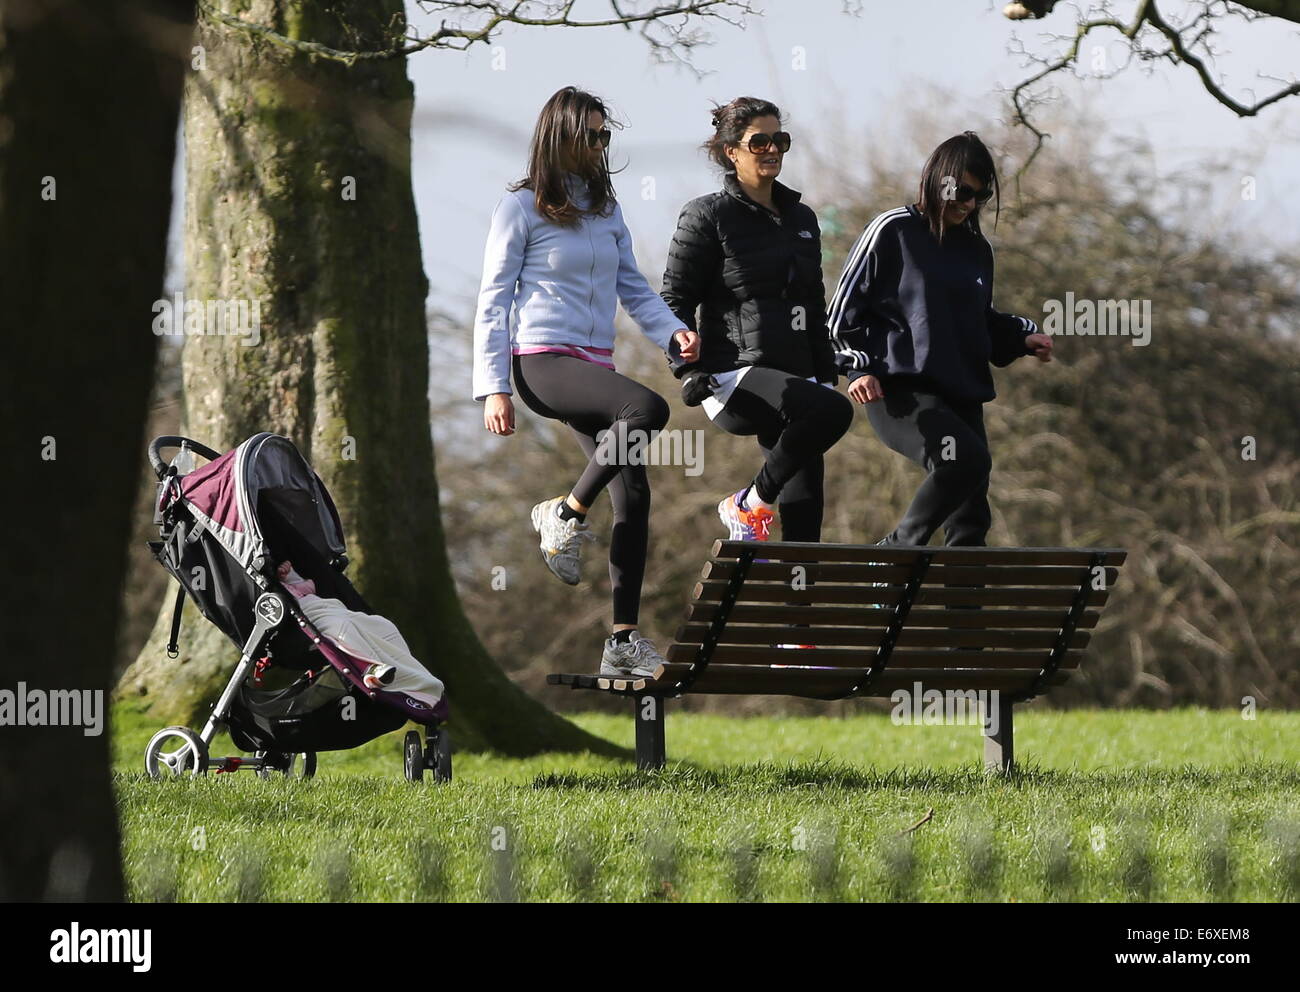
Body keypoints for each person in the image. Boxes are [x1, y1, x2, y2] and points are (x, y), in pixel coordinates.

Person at [472, 86, 699, 678]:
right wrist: (493, 385)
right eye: (592, 135)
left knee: (634, 494)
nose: (601, 145)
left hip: (593, 363)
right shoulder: (522, 206)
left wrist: (673, 332)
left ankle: (623, 640)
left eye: (606, 135)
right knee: (647, 409)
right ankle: (566, 513)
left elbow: (633, 284)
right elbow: (494, 298)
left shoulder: (604, 207)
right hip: (542, 361)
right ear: (562, 135)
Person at [827, 131, 1053, 550]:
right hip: (900, 391)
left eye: (979, 197)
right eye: (961, 191)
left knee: (970, 521)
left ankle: (962, 614)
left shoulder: (977, 250)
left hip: (962, 395)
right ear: (936, 179)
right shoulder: (893, 230)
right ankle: (894, 552)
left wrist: (1023, 337)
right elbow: (840, 313)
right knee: (962, 460)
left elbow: (978, 322)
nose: (967, 205)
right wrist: (856, 366)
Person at [660, 96, 853, 544]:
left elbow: (812, 299)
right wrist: (686, 368)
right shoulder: (707, 214)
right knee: (834, 413)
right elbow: (674, 297)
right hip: (734, 374)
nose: (772, 150)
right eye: (760, 141)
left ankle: (797, 610)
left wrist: (824, 371)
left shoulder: (802, 218)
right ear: (732, 151)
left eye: (780, 141)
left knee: (806, 518)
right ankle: (748, 504)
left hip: (796, 376)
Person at [276, 561, 445, 708]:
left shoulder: (287, 581)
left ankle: (411, 673)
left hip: (329, 607)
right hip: (304, 616)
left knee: (383, 625)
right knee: (343, 629)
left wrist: (289, 575)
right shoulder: (271, 589)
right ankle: (370, 670)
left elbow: (309, 587)